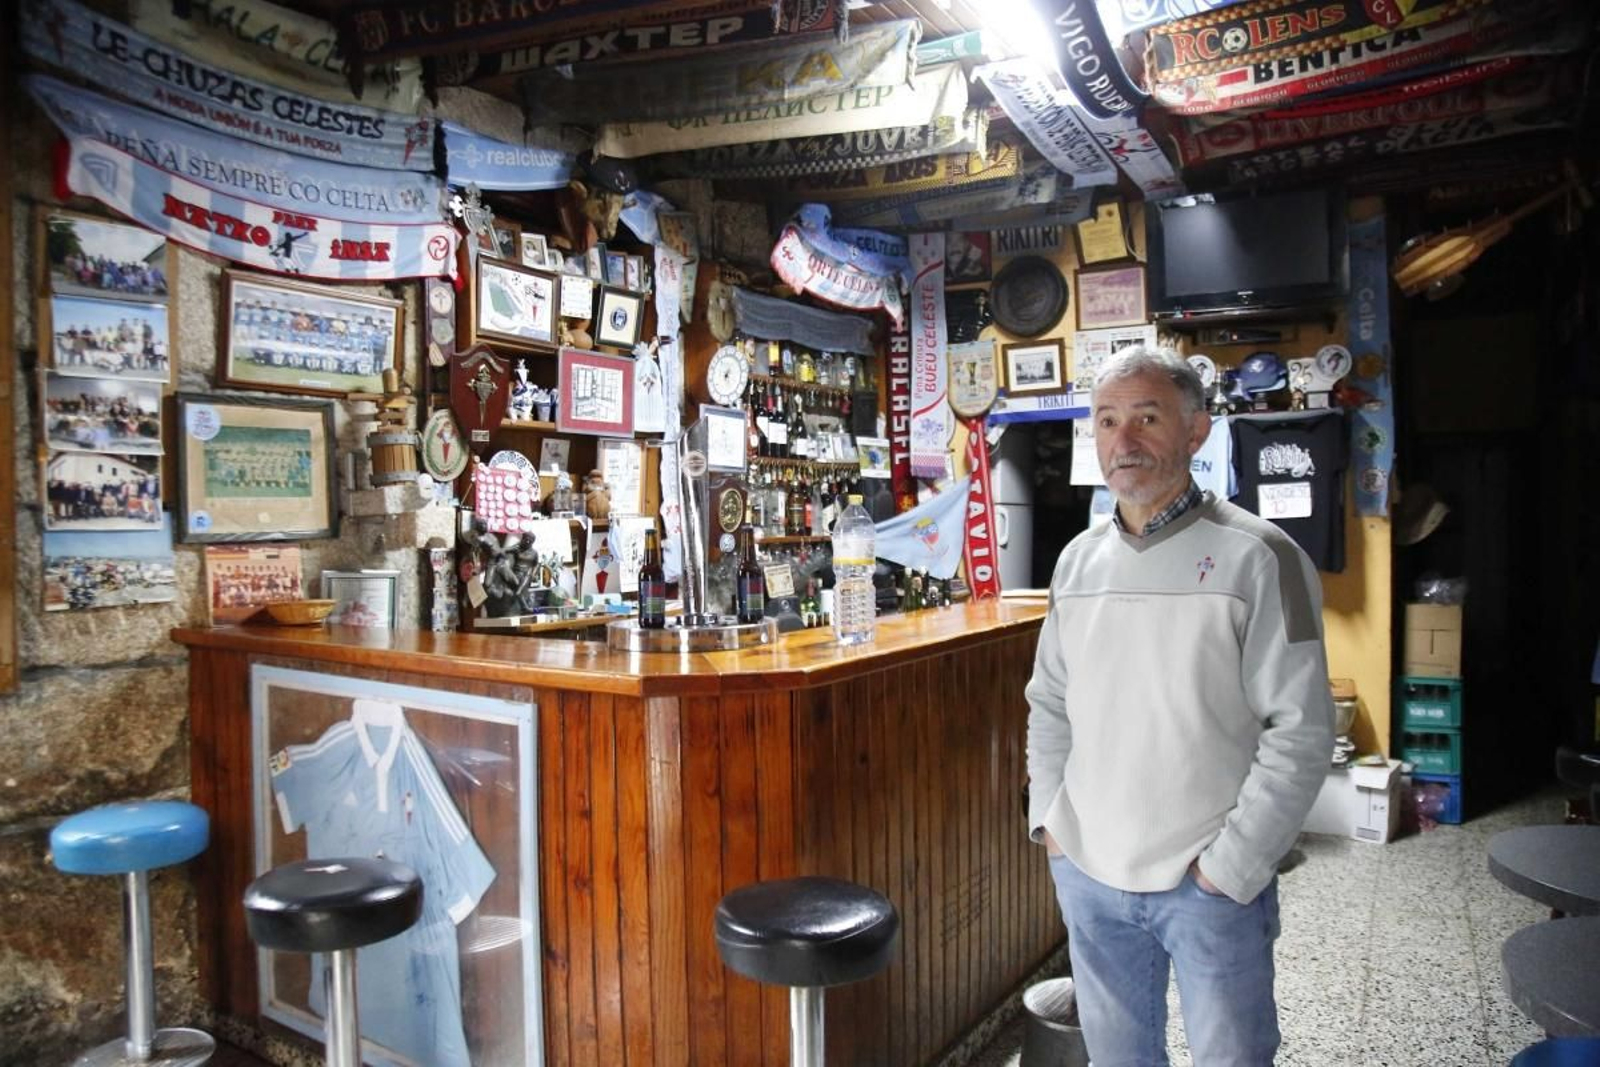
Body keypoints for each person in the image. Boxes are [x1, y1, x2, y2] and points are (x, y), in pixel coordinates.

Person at [1026, 346, 1333, 1066]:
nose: (1122, 440)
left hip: (1207, 883)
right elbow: (1049, 703)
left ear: (1196, 431)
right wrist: (1053, 824)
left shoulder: (1261, 556)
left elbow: (1301, 731)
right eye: (1106, 420)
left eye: (1146, 417)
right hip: (1091, 875)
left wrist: (1231, 866)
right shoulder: (1076, 562)